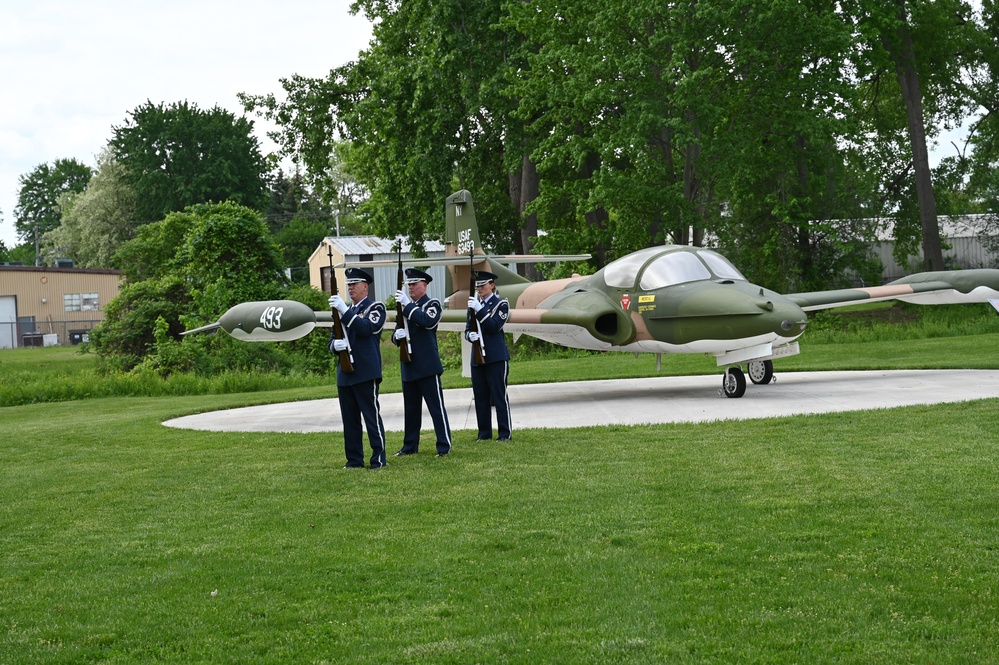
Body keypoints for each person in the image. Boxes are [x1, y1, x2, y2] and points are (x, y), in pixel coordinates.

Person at [329, 267, 388, 470]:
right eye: (349, 285)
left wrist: (344, 312)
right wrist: (334, 346)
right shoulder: (345, 310)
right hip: (345, 373)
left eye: (354, 284)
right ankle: (354, 460)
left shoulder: (376, 308)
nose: (350, 288)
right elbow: (332, 337)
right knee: (350, 420)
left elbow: (366, 329)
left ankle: (379, 458)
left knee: (371, 417)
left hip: (366, 372)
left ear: (365, 286)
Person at [391, 267, 453, 457]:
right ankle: (410, 446)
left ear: (424, 286)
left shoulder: (432, 304)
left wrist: (408, 306)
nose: (410, 287)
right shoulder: (405, 306)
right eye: (409, 284)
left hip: (427, 365)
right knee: (411, 410)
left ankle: (444, 445)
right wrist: (397, 336)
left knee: (435, 407)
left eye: (414, 284)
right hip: (409, 364)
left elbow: (428, 321)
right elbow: (396, 332)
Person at [464, 270, 512, 441]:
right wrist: (470, 336)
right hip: (477, 357)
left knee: (498, 396)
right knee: (480, 396)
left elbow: (493, 326)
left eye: (482, 285)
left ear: (492, 285)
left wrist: (480, 310)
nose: (479, 289)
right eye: (477, 286)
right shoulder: (474, 305)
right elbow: (467, 329)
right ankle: (484, 434)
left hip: (496, 356)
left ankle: (504, 433)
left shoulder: (501, 305)